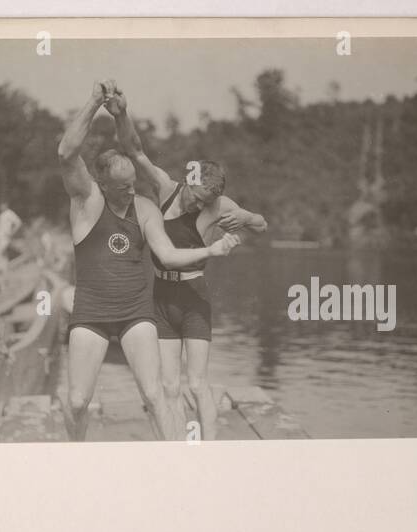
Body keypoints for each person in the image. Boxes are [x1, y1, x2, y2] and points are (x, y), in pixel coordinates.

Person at [58, 79, 241, 442]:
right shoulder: (86, 201)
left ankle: (179, 466)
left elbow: (169, 255)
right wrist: (95, 102)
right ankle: (74, 454)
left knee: (156, 395)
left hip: (135, 313)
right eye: (123, 186)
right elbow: (66, 152)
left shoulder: (144, 208)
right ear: (102, 183)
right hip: (91, 312)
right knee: (78, 401)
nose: (131, 190)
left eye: (133, 184)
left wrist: (211, 251)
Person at [113, 96, 268, 440]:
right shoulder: (166, 189)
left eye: (205, 203)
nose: (199, 205)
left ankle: (208, 455)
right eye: (196, 198)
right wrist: (122, 113)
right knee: (169, 386)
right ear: (188, 181)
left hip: (194, 297)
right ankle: (178, 453)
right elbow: (134, 149)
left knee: (197, 385)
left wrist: (244, 217)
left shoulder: (219, 205)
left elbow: (261, 224)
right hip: (161, 296)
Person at [0, 203, 23, 272]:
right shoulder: (1, 215)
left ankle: (0, 270)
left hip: (6, 237)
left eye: (3, 205)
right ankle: (5, 271)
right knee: (3, 256)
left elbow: (18, 222)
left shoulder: (9, 213)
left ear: (6, 205)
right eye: (1, 205)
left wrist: (12, 232)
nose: (1, 207)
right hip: (0, 238)